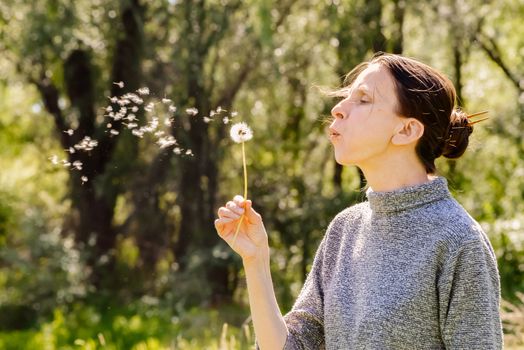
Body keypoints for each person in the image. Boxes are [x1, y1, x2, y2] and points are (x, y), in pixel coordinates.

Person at [214, 52, 503, 349]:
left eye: (363, 99)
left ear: (407, 130)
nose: (338, 109)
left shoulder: (459, 241)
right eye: (346, 97)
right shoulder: (345, 229)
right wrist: (255, 259)